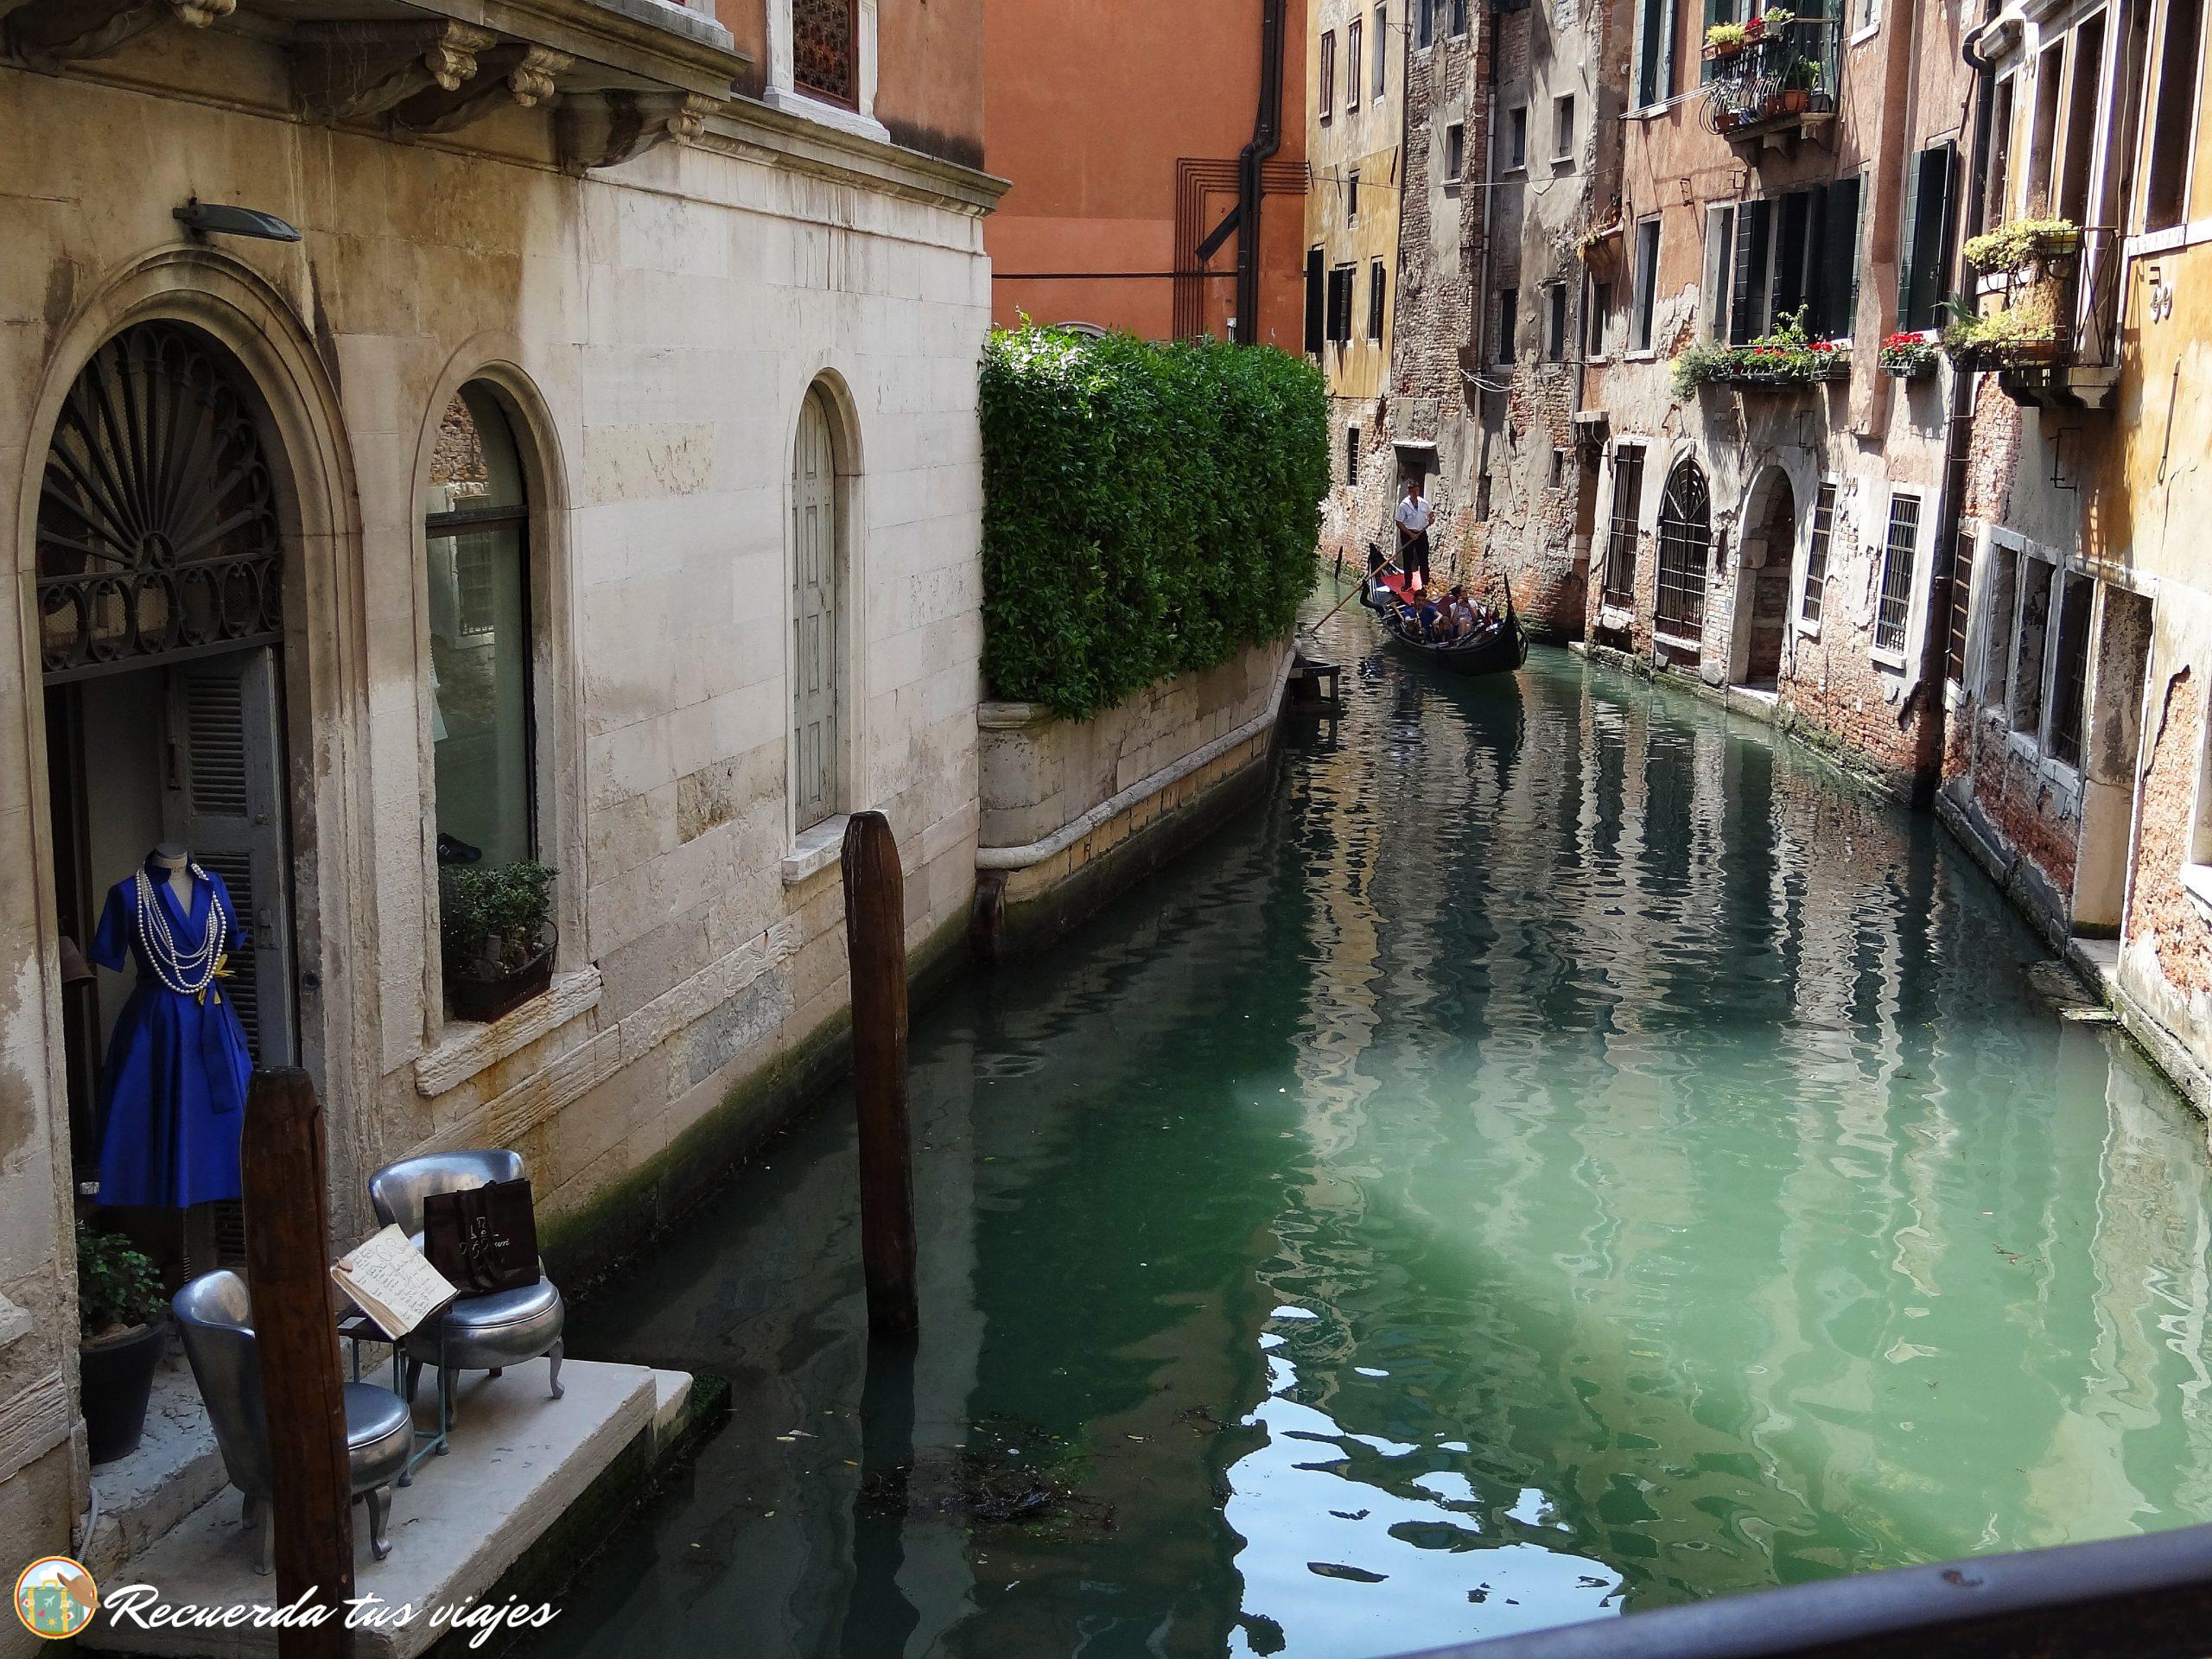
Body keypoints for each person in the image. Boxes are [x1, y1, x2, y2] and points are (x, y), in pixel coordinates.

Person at [1394, 477, 1433, 590]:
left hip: (1421, 533)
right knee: (1408, 560)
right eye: (1413, 491)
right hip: (1408, 534)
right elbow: (1399, 522)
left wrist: (1432, 519)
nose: (1416, 493)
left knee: (1424, 559)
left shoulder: (1423, 503)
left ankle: (1425, 585)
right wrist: (1410, 534)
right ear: (1409, 491)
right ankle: (1408, 584)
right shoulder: (1404, 506)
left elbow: (1431, 514)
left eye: (1417, 490)